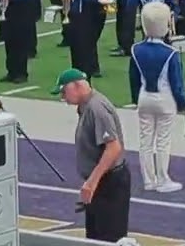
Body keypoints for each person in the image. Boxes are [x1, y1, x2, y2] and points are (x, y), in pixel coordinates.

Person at [52, 68, 130, 243]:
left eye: (65, 92)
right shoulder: (86, 106)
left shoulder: (96, 108)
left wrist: (92, 182)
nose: (63, 98)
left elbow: (113, 147)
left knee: (108, 238)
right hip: (102, 181)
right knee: (94, 238)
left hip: (109, 182)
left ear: (78, 86)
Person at [128, 2, 185, 193]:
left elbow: (133, 79)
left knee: (145, 140)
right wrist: (182, 102)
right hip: (164, 98)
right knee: (162, 140)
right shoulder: (170, 53)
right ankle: (163, 179)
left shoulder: (136, 49)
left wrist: (136, 99)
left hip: (145, 96)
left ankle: (148, 180)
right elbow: (176, 83)